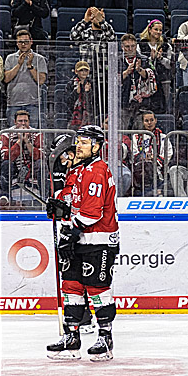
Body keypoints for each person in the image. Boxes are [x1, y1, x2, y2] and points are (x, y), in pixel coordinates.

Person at [44, 126, 118, 361]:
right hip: (79, 238)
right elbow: (71, 200)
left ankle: (105, 339)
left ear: (97, 147)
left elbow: (92, 212)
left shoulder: (97, 170)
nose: (79, 146)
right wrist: (59, 207)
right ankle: (72, 336)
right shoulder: (79, 170)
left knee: (97, 289)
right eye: (79, 142)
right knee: (71, 286)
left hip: (99, 240)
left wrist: (71, 230)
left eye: (84, 143)